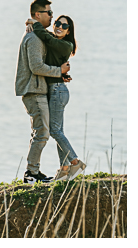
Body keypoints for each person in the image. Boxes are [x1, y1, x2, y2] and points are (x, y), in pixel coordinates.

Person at [15, 0, 71, 184]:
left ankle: (34, 172)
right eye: (49, 13)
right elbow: (37, 67)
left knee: (41, 132)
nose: (52, 17)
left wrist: (59, 77)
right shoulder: (34, 38)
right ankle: (31, 173)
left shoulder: (36, 34)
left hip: (38, 89)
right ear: (38, 14)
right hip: (33, 90)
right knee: (42, 133)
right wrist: (59, 71)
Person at [27, 13, 86, 181]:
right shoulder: (56, 42)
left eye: (64, 26)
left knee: (54, 131)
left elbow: (47, 39)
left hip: (57, 91)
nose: (59, 26)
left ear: (69, 31)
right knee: (59, 131)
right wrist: (61, 74)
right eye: (57, 23)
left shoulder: (65, 45)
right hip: (56, 88)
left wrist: (35, 23)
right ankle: (65, 169)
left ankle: (75, 162)